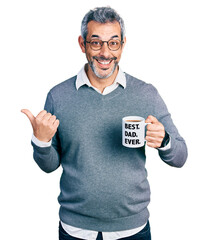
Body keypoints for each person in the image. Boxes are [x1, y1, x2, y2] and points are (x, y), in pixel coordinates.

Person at [21, 6, 188, 240]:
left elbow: (181, 156)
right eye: (96, 42)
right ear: (83, 44)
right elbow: (49, 165)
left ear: (122, 44)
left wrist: (165, 141)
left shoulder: (146, 94)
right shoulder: (58, 96)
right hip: (75, 229)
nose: (105, 53)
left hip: (133, 230)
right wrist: (41, 141)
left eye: (113, 43)